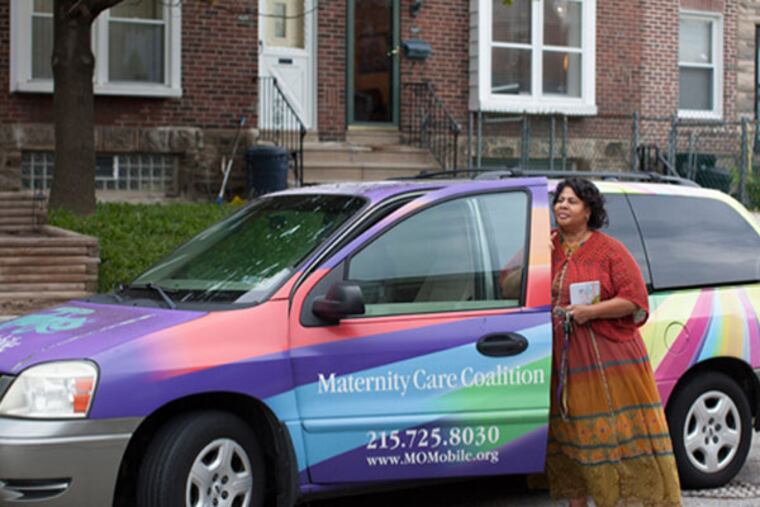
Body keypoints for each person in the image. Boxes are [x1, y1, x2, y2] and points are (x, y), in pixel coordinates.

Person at [546, 178, 682, 507]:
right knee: (572, 436)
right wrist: (536, 258)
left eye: (571, 201)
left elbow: (635, 300)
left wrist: (590, 312)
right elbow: (509, 285)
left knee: (615, 436)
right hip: (563, 363)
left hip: (610, 362)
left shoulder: (609, 251)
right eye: (560, 200)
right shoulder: (545, 247)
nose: (562, 206)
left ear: (588, 211)